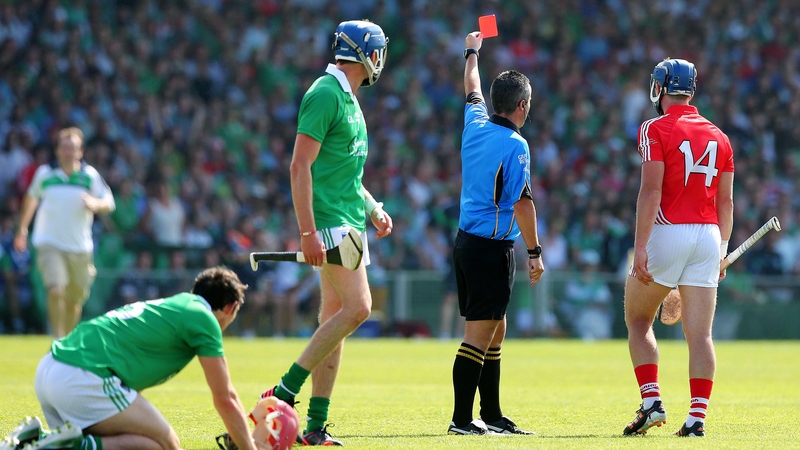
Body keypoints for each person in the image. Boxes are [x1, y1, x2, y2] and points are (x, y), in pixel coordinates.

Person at [260, 20, 392, 446]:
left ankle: (315, 427)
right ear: (366, 54)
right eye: (378, 51)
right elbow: (299, 167)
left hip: (351, 220)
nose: (380, 59)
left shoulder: (349, 99)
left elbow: (346, 174)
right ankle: (282, 391)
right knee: (359, 309)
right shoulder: (324, 93)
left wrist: (372, 208)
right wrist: (306, 232)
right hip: (331, 224)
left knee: (334, 318)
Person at [0, 267, 261, 450]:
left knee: (144, 443)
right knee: (167, 444)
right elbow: (225, 398)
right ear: (231, 307)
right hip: (82, 376)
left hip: (51, 368)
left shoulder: (177, 305)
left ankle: (36, 441)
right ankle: (70, 446)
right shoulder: (203, 318)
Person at [622, 58, 734, 438]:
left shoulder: (654, 128)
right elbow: (727, 204)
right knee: (701, 335)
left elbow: (651, 191)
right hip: (707, 235)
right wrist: (721, 249)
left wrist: (640, 248)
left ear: (661, 86)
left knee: (638, 320)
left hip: (668, 232)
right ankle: (696, 419)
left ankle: (652, 403)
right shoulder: (720, 135)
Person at [447, 31, 544, 436]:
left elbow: (471, 83)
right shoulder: (516, 144)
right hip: (491, 248)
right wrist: (535, 252)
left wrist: (473, 51)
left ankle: (491, 414)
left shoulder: (475, 121)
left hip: (467, 243)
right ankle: (461, 419)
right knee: (478, 334)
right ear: (522, 106)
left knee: (494, 327)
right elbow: (522, 202)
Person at [13, 127, 115, 339]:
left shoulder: (89, 176)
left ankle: (67, 341)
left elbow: (109, 202)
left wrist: (95, 204)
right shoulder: (45, 174)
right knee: (55, 289)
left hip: (80, 247)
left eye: (73, 148)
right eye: (64, 148)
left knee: (74, 300)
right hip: (49, 242)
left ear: (81, 151)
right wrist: (22, 229)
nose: (69, 152)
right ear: (58, 150)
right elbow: (31, 199)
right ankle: (57, 338)